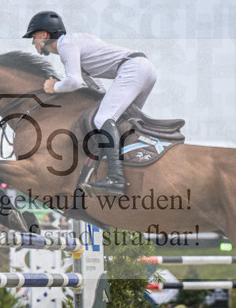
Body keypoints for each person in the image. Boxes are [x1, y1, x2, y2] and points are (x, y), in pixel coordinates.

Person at [23, 10, 157, 195]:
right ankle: (137, 163)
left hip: (133, 69)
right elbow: (96, 87)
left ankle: (116, 178)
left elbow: (74, 81)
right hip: (144, 69)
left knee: (102, 119)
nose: (33, 42)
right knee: (121, 121)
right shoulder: (74, 44)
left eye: (34, 37)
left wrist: (54, 87)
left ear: (44, 35)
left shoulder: (66, 45)